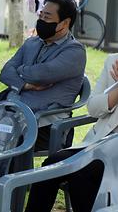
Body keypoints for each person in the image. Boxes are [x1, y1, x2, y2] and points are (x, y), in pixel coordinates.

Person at [25, 53, 118, 212]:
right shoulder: (113, 61)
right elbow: (93, 108)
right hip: (98, 143)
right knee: (50, 167)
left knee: (81, 175)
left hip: (113, 155)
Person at [0, 0, 86, 151]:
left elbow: (42, 75)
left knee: (7, 142)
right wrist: (25, 85)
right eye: (41, 16)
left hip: (45, 122)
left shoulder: (75, 51)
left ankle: (9, 176)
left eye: (47, 17)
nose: (41, 21)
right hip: (12, 113)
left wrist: (19, 69)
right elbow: (4, 73)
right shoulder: (32, 43)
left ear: (65, 23)